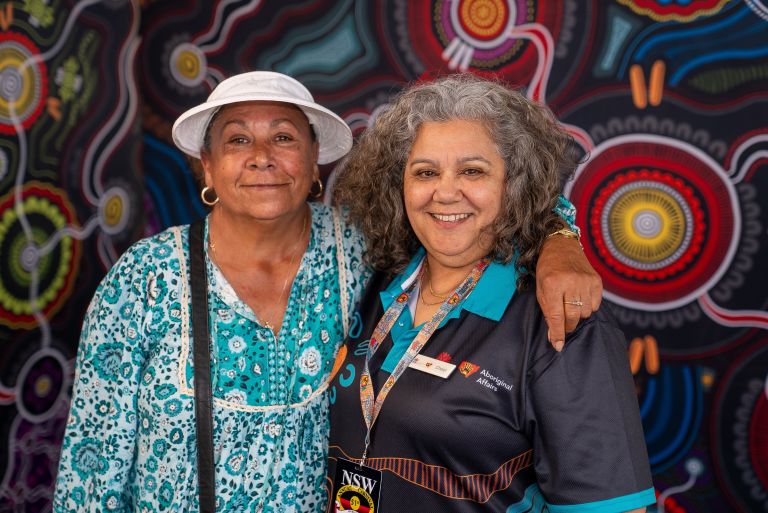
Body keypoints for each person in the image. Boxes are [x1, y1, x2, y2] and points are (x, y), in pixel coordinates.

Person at [53, 71, 602, 512]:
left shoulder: (365, 250)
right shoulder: (145, 278)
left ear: (314, 161)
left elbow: (474, 209)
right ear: (210, 168)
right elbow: (92, 465)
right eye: (238, 139)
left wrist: (560, 239)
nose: (262, 156)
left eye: (284, 137)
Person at [327, 74, 654, 512]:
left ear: (513, 184)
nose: (445, 192)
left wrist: (560, 235)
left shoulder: (563, 321)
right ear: (399, 185)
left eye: (473, 171)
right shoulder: (370, 285)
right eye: (426, 172)